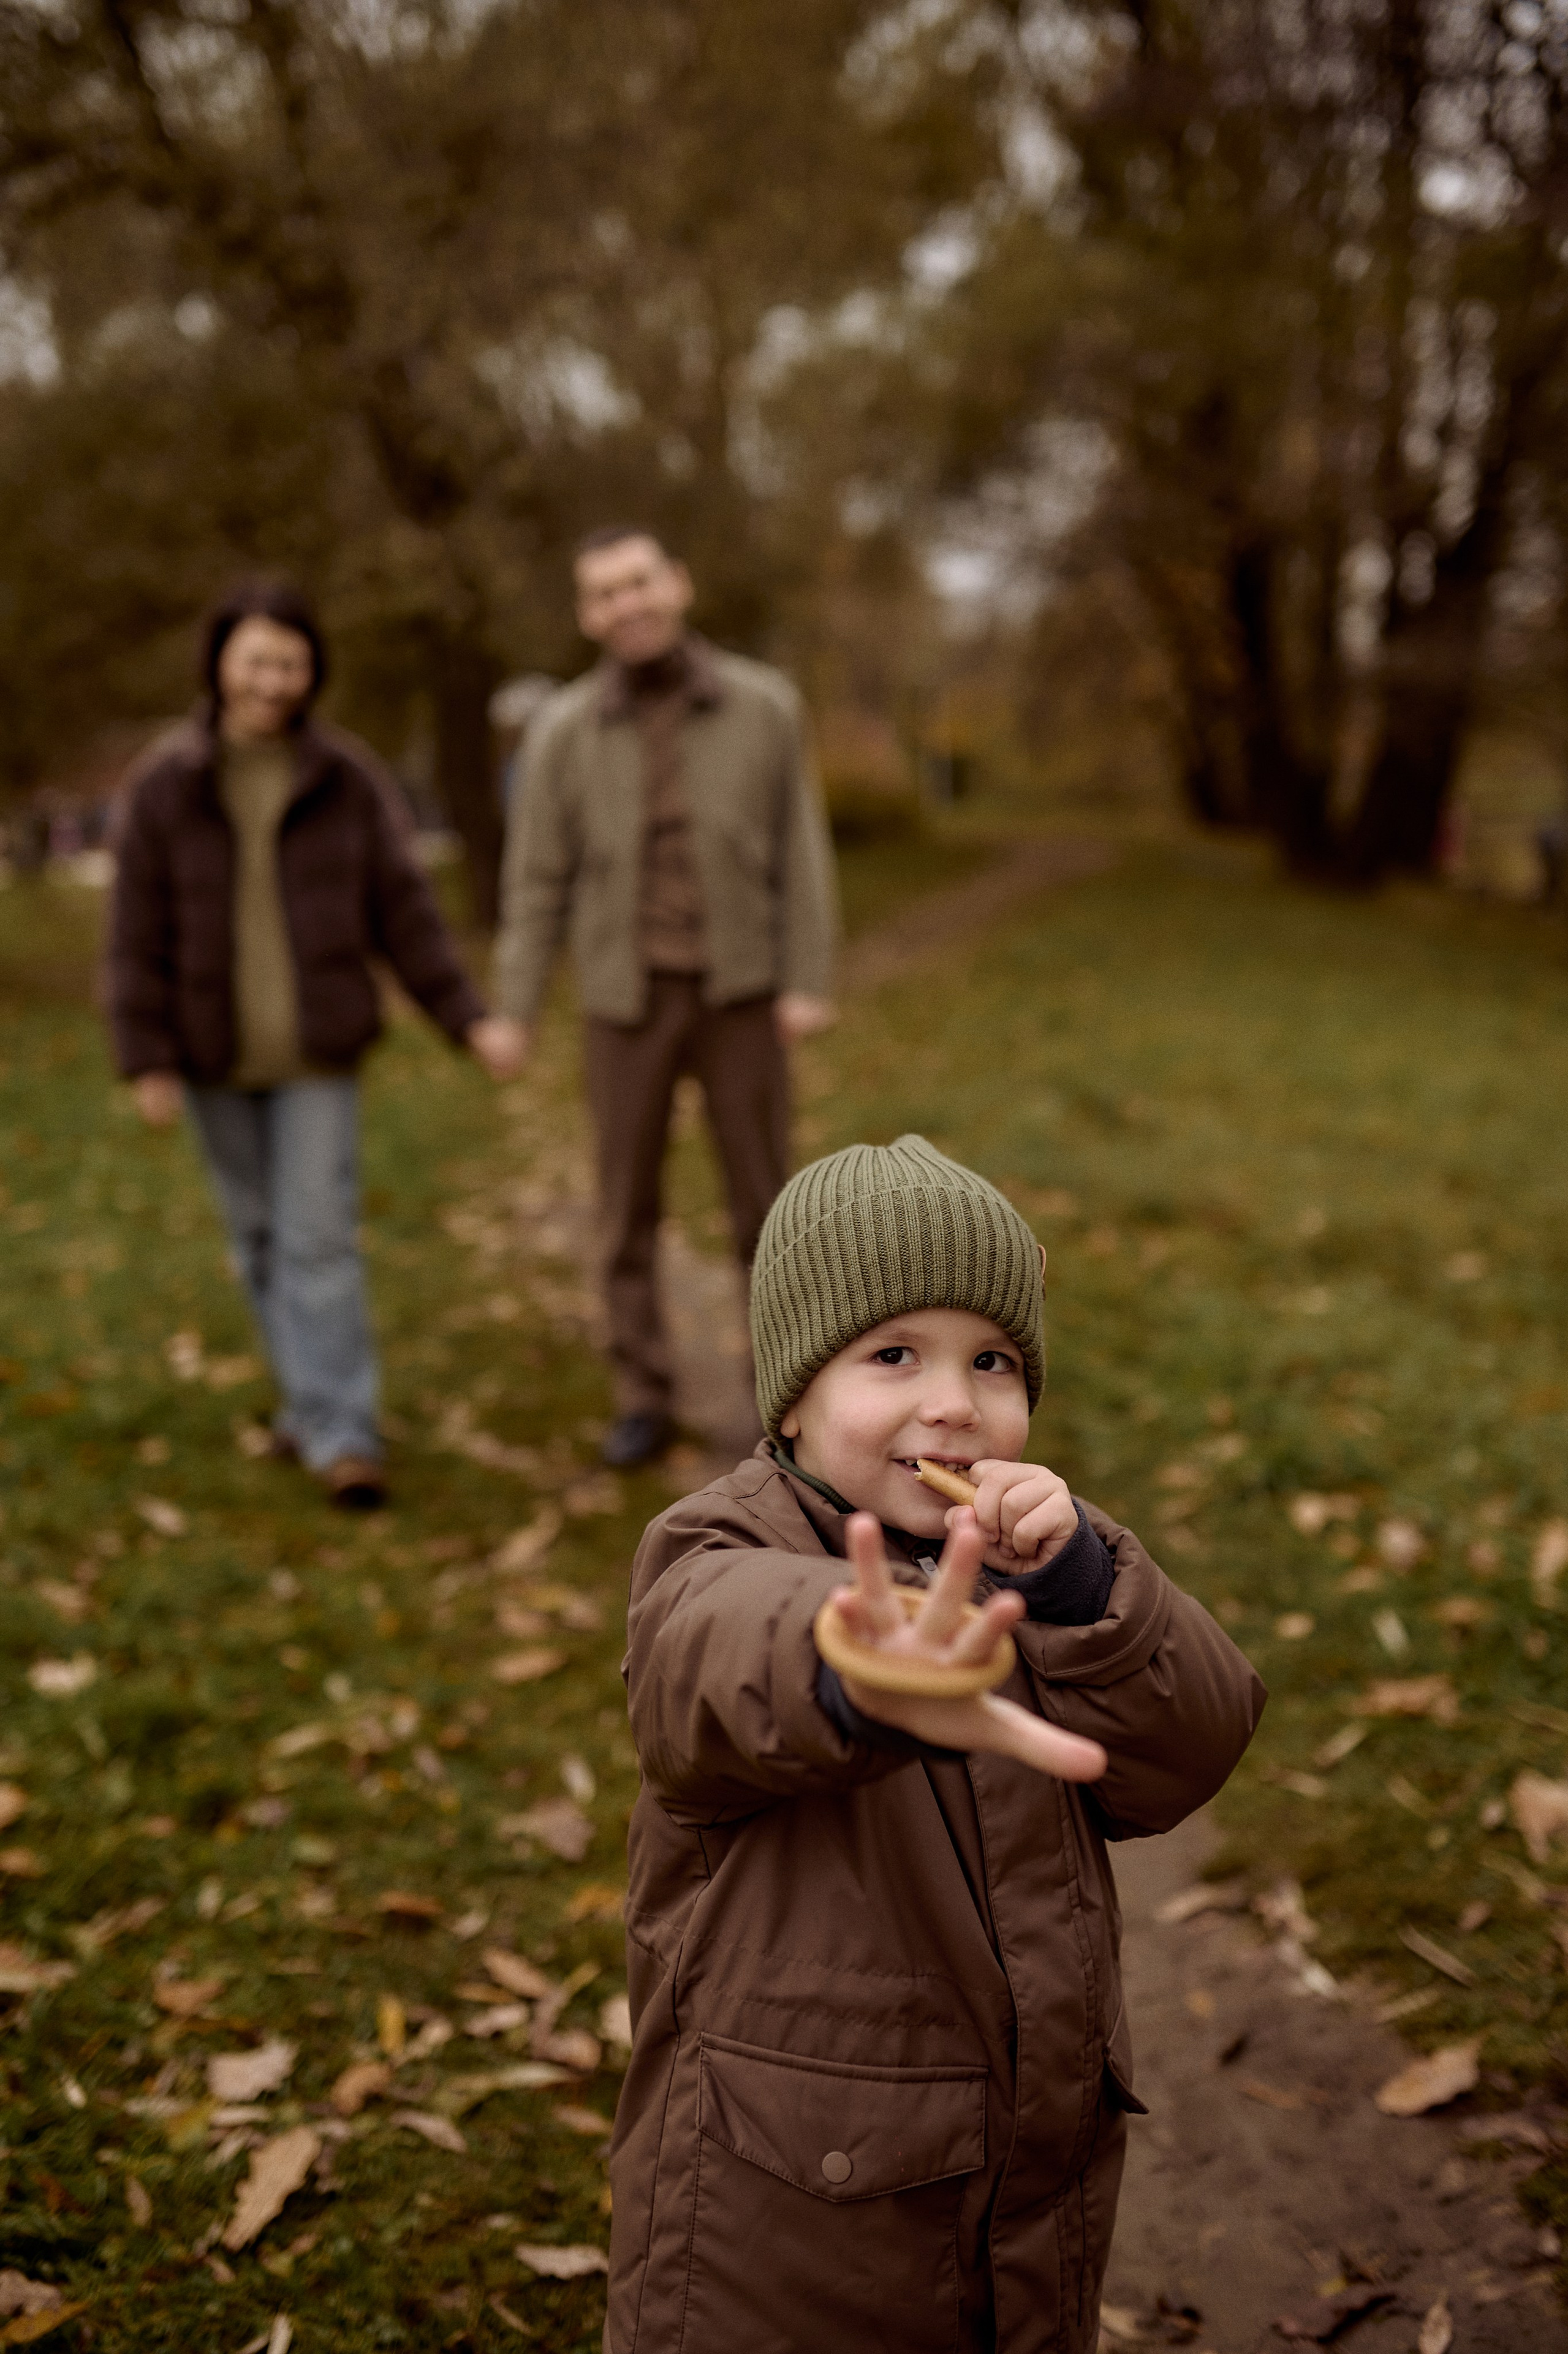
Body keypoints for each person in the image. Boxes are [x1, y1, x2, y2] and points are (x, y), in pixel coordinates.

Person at [609, 1135, 1265, 2353]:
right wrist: (852, 1661)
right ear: (793, 1394)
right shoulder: (717, 1551)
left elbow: (1199, 1739)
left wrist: (1085, 1588)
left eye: (992, 1360)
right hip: (782, 2237)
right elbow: (706, 1659)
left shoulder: (1042, 1567)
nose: (956, 1401)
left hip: (1027, 2197)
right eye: (894, 1354)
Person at [107, 578, 520, 1508]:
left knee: (319, 1240)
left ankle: (343, 1435)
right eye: (256, 659)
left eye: (290, 663)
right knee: (258, 1241)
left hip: (318, 1057)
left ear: (312, 672)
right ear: (220, 662)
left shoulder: (345, 778)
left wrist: (468, 1018)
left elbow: (406, 912)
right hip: (212, 1056)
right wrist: (146, 1056)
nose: (272, 680)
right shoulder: (166, 783)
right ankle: (309, 1399)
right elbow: (133, 931)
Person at [489, 526, 839, 1469]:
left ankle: (786, 1399)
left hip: (741, 991)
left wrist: (807, 979)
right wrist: (516, 1007)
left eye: (639, 582)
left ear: (677, 584)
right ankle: (643, 1392)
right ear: (586, 614)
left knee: (767, 1207)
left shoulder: (765, 706)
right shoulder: (564, 731)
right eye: (605, 592)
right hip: (624, 998)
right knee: (624, 1211)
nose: (627, 604)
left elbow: (801, 848)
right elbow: (536, 878)